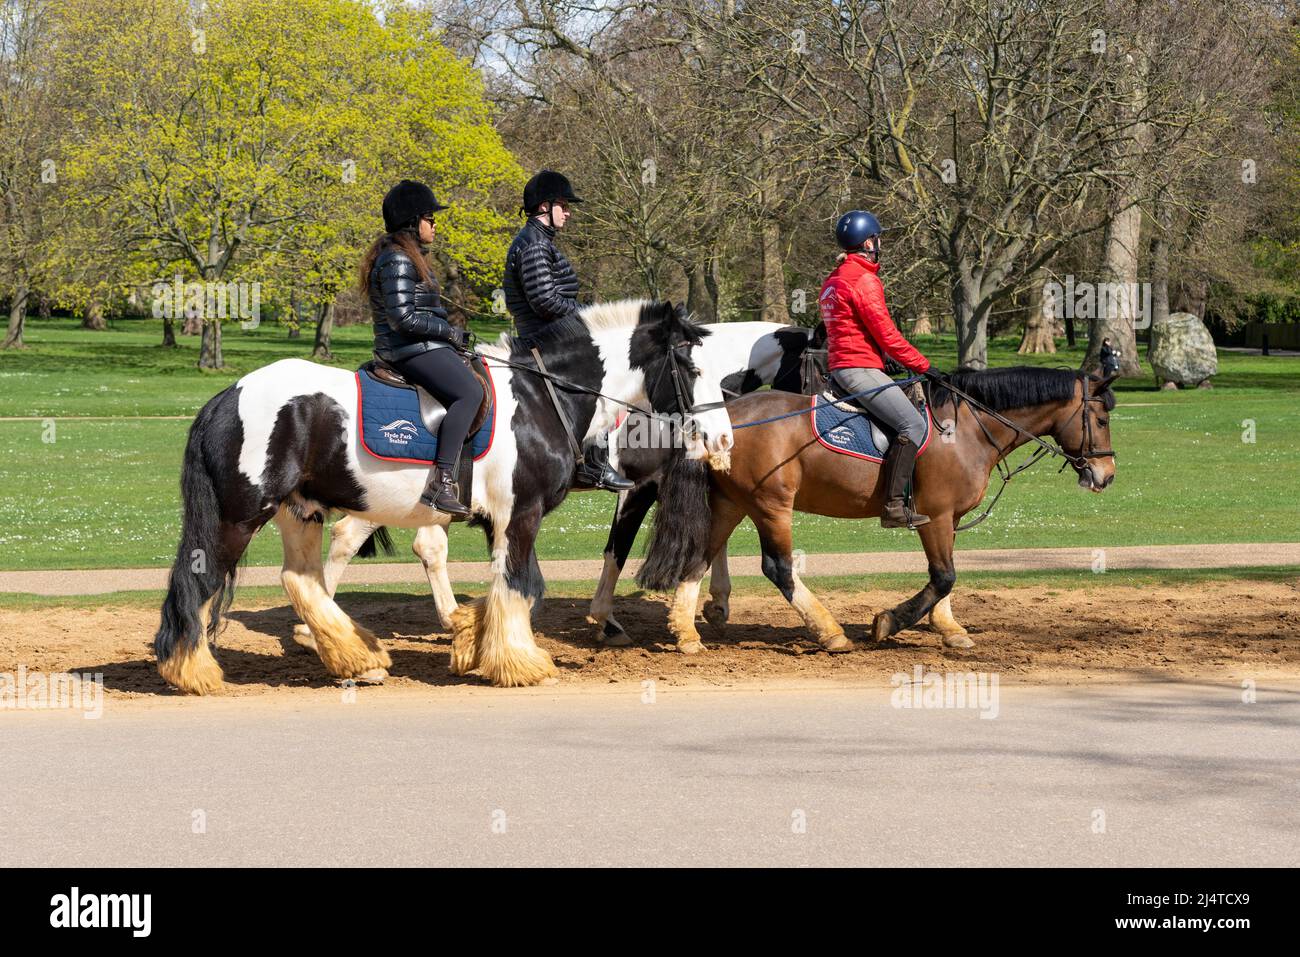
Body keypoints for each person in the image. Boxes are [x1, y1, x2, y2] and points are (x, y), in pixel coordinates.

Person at [503, 169, 633, 492]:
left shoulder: (540, 241)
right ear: (545, 207)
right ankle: (596, 462)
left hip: (552, 330)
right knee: (603, 372)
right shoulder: (533, 244)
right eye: (564, 204)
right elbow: (545, 301)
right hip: (544, 336)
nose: (569, 211)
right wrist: (589, 315)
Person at [361, 179, 477, 517]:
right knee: (469, 392)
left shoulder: (407, 257)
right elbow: (402, 318)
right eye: (430, 217)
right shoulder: (397, 259)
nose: (435, 224)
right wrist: (450, 333)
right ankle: (442, 481)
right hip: (408, 348)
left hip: (417, 344)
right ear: (413, 222)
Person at [819, 210, 937, 529]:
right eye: (877, 237)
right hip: (859, 369)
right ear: (869, 241)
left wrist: (888, 358)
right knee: (913, 425)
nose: (879, 242)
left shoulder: (833, 281)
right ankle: (895, 506)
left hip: (841, 368)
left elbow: (852, 330)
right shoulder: (864, 280)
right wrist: (925, 366)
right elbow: (887, 334)